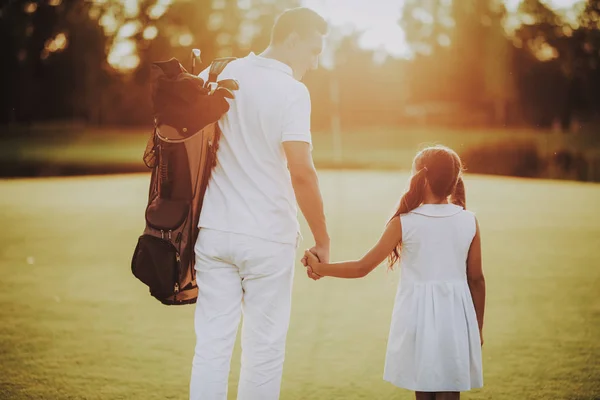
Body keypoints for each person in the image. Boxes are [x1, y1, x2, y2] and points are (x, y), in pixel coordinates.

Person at [190, 7, 329, 400]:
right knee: (264, 351)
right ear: (293, 39)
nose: (315, 63)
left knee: (212, 347)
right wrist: (323, 239)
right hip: (268, 237)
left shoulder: (217, 74)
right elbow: (302, 171)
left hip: (214, 232)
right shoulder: (292, 91)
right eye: (314, 50)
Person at [303, 145, 486, 400]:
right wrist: (477, 328)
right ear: (454, 181)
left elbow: (361, 267)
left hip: (417, 316)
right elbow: (476, 279)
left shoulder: (405, 222)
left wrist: (319, 267)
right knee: (449, 388)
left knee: (424, 390)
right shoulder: (469, 220)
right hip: (456, 316)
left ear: (419, 177)